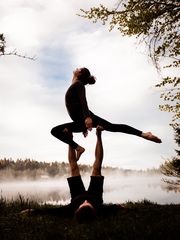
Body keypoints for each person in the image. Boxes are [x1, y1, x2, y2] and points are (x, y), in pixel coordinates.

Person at [51, 67, 162, 161]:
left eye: (78, 69)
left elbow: (83, 101)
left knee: (55, 131)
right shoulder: (75, 84)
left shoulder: (79, 84)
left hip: (85, 118)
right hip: (81, 120)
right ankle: (144, 134)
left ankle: (78, 148)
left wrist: (87, 118)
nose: (76, 68)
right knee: (113, 127)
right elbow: (77, 103)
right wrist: (83, 124)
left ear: (79, 73)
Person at [67, 125, 104, 222]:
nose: (86, 201)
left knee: (74, 168)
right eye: (88, 203)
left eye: (84, 203)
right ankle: (99, 135)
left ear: (78, 208)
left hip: (77, 195)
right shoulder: (99, 209)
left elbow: (50, 211)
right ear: (93, 208)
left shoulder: (70, 209)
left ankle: (69, 139)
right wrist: (120, 207)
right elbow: (114, 208)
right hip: (95, 196)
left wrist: (31, 211)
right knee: (97, 168)